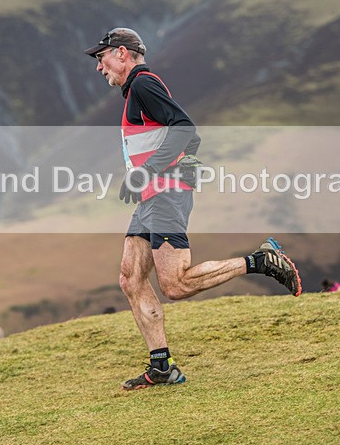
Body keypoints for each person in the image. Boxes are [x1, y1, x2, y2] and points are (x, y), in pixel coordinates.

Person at [84, 28, 302, 390]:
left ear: (121, 53)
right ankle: (162, 367)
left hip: (164, 194)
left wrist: (148, 172)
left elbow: (184, 127)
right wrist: (181, 164)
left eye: (101, 57)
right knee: (130, 278)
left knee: (176, 284)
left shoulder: (143, 84)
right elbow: (189, 135)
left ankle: (261, 261)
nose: (98, 66)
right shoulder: (137, 90)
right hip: (152, 195)